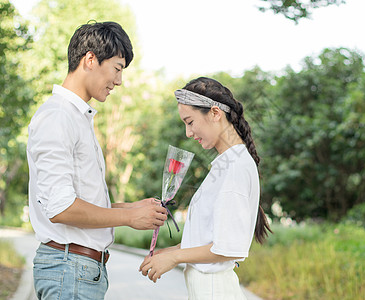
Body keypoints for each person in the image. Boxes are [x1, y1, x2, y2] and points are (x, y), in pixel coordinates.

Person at [27, 21, 167, 300]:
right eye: (117, 69)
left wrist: (131, 207)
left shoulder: (77, 118)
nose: (119, 81)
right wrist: (128, 217)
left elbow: (78, 201)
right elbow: (61, 208)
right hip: (69, 270)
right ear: (90, 59)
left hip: (79, 270)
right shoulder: (58, 117)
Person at [139, 77, 272, 299]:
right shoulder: (226, 164)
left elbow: (225, 249)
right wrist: (168, 252)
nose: (188, 133)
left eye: (190, 122)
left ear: (215, 113)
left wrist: (174, 258)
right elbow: (206, 239)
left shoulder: (236, 166)